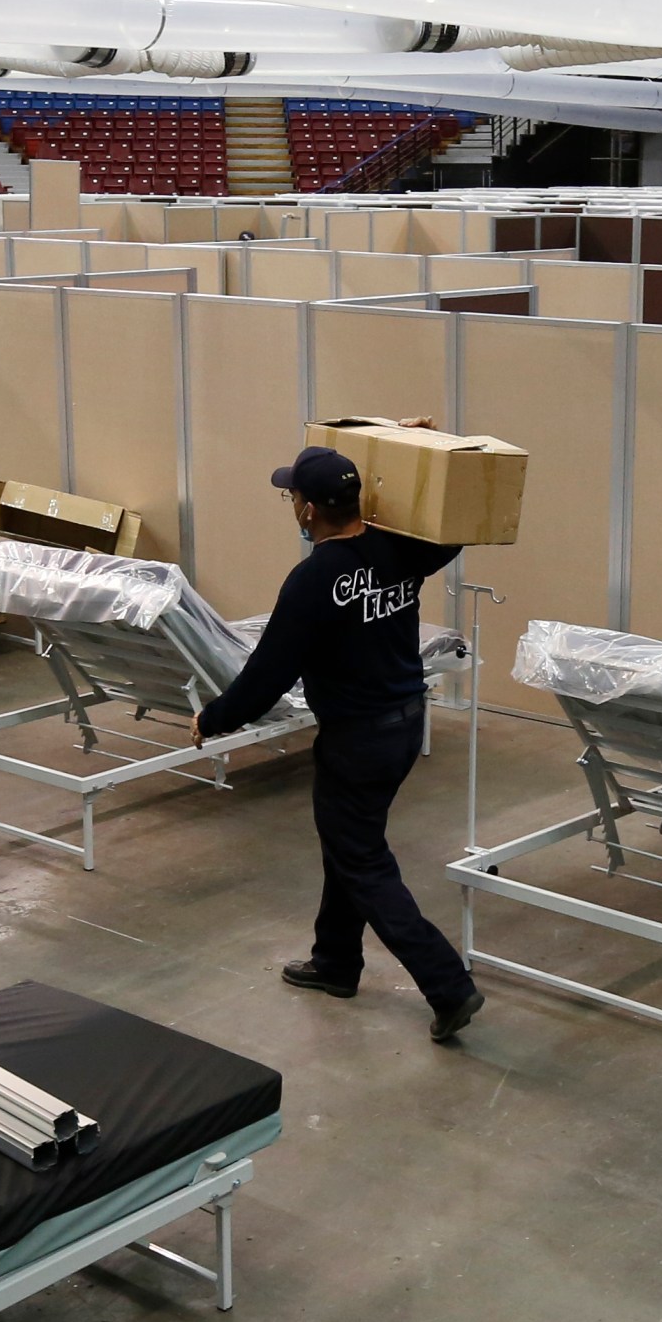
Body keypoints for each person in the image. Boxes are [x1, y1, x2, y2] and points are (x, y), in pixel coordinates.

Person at [192, 440, 485, 1043]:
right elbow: (452, 531)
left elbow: (268, 673)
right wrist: (412, 456)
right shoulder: (399, 548)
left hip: (357, 740)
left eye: (291, 495)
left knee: (364, 860)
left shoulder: (313, 578)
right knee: (350, 843)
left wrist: (215, 719)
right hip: (404, 725)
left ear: (306, 510)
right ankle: (335, 961)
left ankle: (448, 985)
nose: (290, 503)